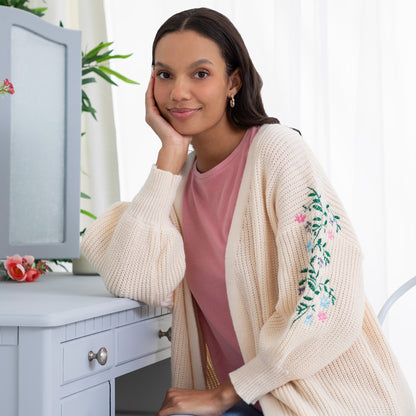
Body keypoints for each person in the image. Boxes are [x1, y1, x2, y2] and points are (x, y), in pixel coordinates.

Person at [81, 7, 415, 416]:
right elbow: (135, 278)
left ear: (233, 81)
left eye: (200, 74)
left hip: (325, 400)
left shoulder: (277, 152)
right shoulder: (178, 184)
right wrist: (169, 153)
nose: (178, 92)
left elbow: (329, 297)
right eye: (165, 74)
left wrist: (225, 393)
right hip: (248, 400)